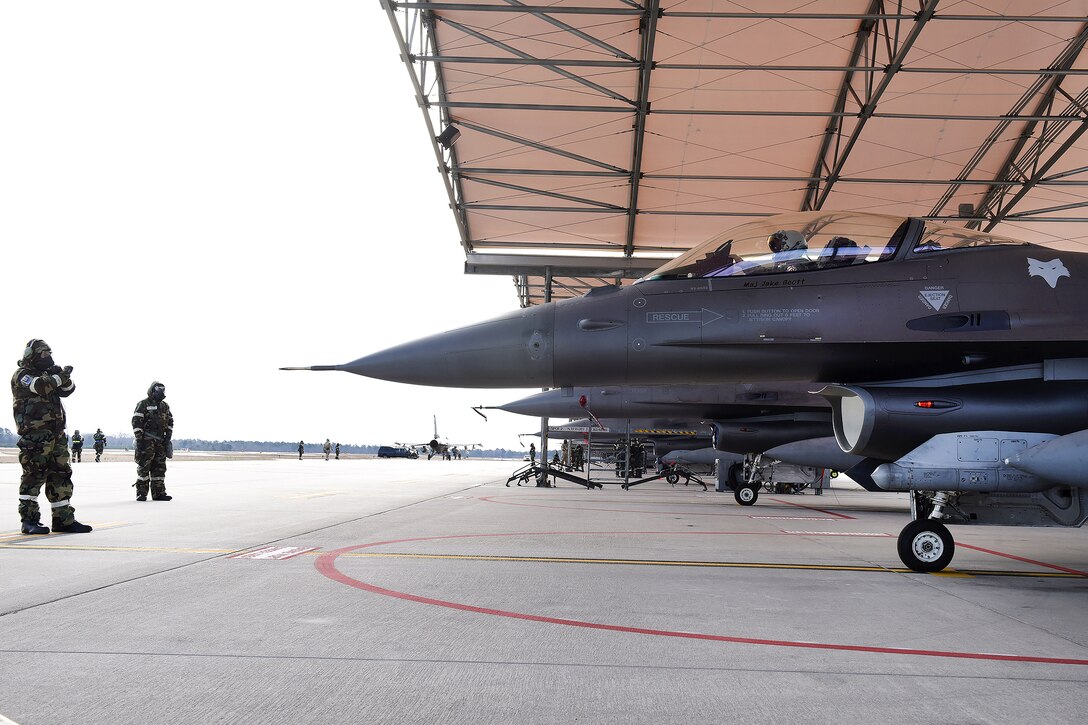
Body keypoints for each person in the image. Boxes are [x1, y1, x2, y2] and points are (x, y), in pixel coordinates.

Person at [11, 339, 92, 534]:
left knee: (61, 474)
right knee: (33, 475)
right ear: (31, 355)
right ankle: (29, 521)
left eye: (49, 353)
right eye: (44, 354)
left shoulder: (49, 375)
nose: (48, 357)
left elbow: (68, 389)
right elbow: (40, 387)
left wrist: (60, 376)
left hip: (56, 434)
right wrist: (59, 376)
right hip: (35, 436)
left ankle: (63, 520)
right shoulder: (23, 375)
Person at [132, 381, 173, 501]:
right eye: (158, 390)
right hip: (146, 441)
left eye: (162, 390)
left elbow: (170, 422)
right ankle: (141, 493)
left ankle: (159, 493)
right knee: (144, 467)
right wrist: (139, 439)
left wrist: (167, 438)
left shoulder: (164, 406)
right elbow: (136, 421)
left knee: (159, 468)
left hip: (160, 442)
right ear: (152, 390)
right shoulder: (143, 404)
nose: (161, 393)